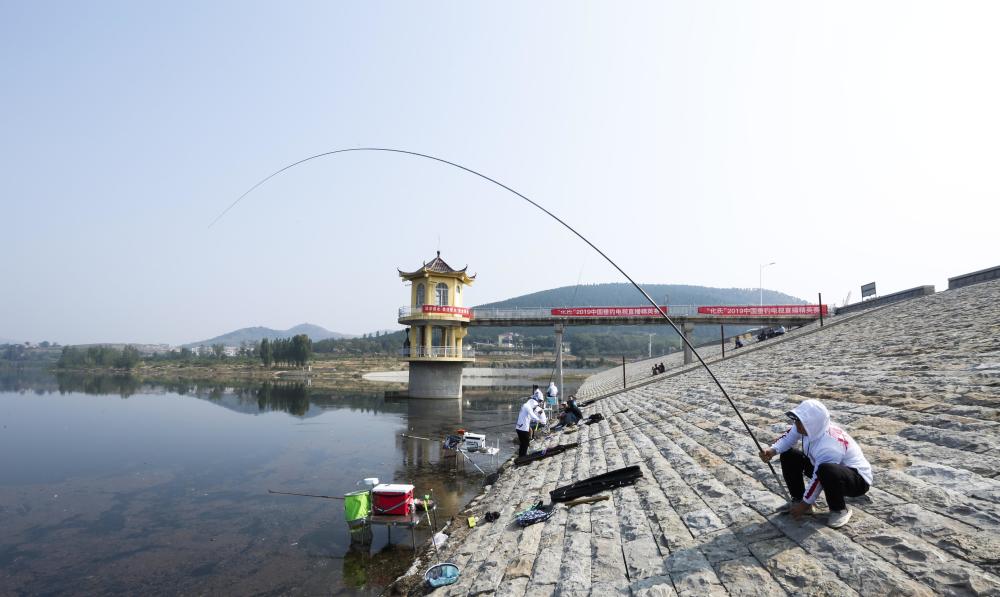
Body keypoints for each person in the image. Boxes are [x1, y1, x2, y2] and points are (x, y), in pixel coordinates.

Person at [759, 399, 872, 528]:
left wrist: (805, 504)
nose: (796, 424)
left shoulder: (829, 445)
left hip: (857, 480)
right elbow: (788, 438)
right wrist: (771, 451)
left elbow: (818, 479)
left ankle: (839, 509)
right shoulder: (805, 427)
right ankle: (798, 498)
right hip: (826, 469)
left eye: (799, 421)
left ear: (812, 424)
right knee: (789, 455)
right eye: (796, 420)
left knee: (826, 470)